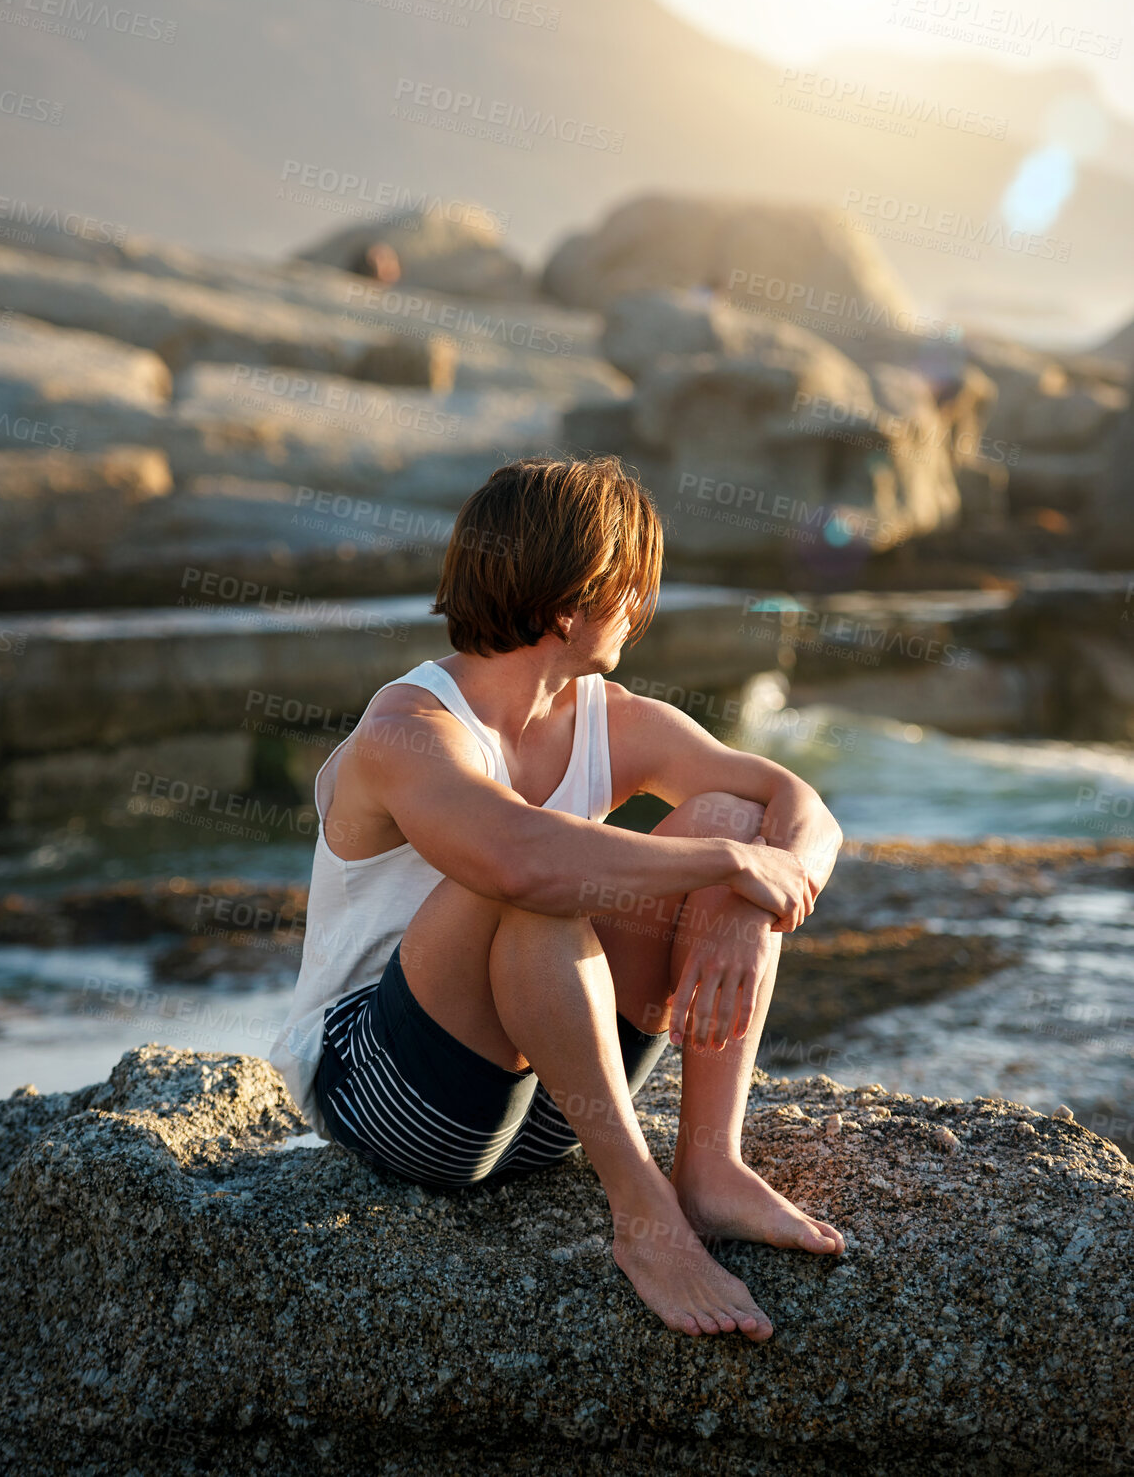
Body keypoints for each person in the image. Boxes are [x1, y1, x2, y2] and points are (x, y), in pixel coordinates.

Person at [270, 455, 845, 1339]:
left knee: (730, 810)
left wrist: (756, 895)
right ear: (573, 598)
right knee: (535, 883)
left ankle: (710, 1164)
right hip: (397, 1099)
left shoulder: (606, 716)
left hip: (553, 1106)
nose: (638, 612)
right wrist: (729, 863)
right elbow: (519, 863)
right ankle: (642, 1214)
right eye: (629, 587)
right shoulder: (407, 731)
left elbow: (799, 808)